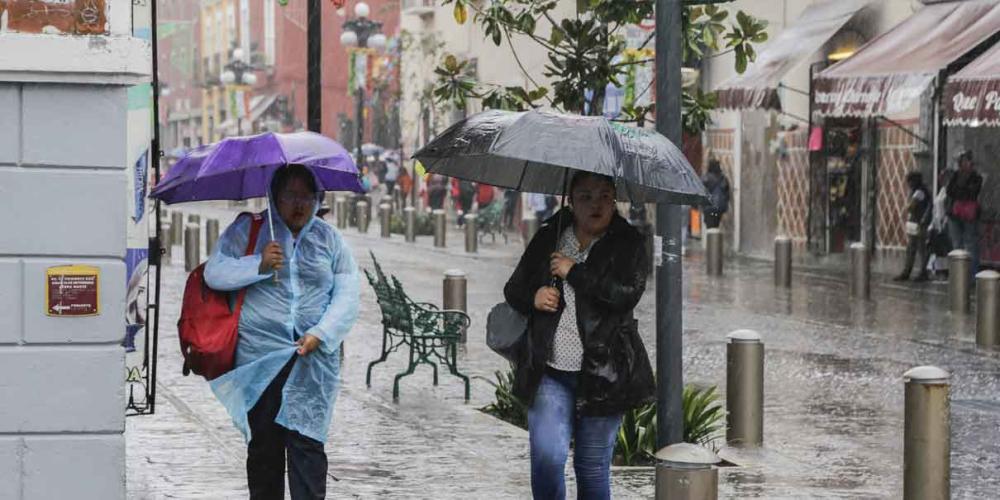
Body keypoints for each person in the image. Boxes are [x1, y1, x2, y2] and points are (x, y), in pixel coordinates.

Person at [204, 164, 360, 499]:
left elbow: (348, 294)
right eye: (291, 195)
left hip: (312, 362)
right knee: (264, 449)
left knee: (308, 447)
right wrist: (257, 265)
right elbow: (215, 272)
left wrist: (321, 332)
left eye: (307, 196)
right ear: (275, 197)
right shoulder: (249, 229)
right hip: (260, 360)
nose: (299, 204)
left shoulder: (329, 239)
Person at [503, 172, 655, 500]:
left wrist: (574, 272)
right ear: (571, 201)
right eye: (585, 196)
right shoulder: (551, 236)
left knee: (591, 467)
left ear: (615, 200)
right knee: (547, 456)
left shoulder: (629, 243)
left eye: (604, 195)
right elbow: (514, 288)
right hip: (551, 373)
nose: (595, 204)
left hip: (604, 374)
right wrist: (534, 296)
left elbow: (624, 295)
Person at [946, 150, 983, 279]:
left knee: (970, 244)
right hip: (954, 214)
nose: (966, 164)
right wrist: (961, 190)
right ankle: (958, 275)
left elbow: (971, 193)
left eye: (968, 161)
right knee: (957, 244)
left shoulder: (976, 177)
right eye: (964, 161)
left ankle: (972, 275)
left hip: (969, 214)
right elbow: (950, 191)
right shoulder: (956, 175)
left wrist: (961, 191)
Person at [894, 171, 933, 282]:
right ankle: (917, 272)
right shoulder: (923, 190)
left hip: (918, 223)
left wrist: (907, 207)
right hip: (918, 222)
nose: (908, 184)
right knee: (918, 248)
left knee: (916, 248)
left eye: (909, 181)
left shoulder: (919, 192)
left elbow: (911, 206)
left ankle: (914, 272)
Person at [701, 159, 730, 229]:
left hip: (708, 207)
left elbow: (702, 191)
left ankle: (711, 239)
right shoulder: (723, 178)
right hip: (719, 207)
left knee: (709, 227)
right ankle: (714, 238)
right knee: (716, 225)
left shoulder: (706, 178)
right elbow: (727, 193)